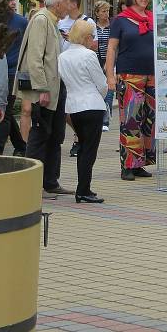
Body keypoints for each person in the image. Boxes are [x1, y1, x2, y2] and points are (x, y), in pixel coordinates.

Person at [16, 0, 73, 200]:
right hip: (45, 91)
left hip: (55, 89)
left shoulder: (52, 21)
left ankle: (51, 182)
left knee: (55, 135)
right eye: (67, 2)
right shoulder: (41, 20)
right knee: (40, 135)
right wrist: (41, 88)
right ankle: (34, 185)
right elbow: (35, 58)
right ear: (58, 4)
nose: (69, 6)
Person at [105, 0, 156, 181]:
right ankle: (127, 165)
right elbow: (111, 49)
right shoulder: (121, 20)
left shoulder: (152, 18)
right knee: (130, 120)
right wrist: (110, 76)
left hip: (152, 76)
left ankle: (140, 163)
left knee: (148, 120)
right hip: (129, 76)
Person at [58, 19, 107, 203]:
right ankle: (83, 189)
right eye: (92, 37)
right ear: (86, 37)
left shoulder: (62, 57)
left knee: (83, 146)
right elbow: (102, 84)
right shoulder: (88, 55)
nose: (94, 40)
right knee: (90, 150)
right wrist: (100, 96)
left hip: (73, 106)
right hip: (91, 104)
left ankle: (83, 188)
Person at [0, 0, 28, 156]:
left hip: (13, 71)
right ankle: (21, 146)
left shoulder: (21, 22)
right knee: (7, 110)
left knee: (4, 109)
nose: (13, 2)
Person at [93, 0, 114, 132]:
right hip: (95, 61)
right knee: (97, 90)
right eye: (103, 11)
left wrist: (108, 63)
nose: (106, 14)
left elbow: (114, 47)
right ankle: (97, 117)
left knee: (109, 90)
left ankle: (105, 119)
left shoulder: (112, 27)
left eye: (107, 11)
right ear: (97, 13)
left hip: (109, 61)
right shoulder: (92, 27)